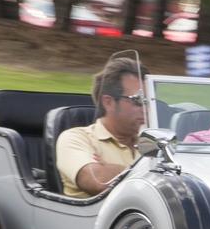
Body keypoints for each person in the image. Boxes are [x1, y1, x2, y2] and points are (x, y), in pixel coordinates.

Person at [56, 57, 148, 198]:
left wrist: (114, 170)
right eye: (138, 100)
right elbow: (99, 181)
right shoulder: (75, 138)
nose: (146, 108)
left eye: (149, 101)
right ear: (109, 102)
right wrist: (153, 174)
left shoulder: (153, 141)